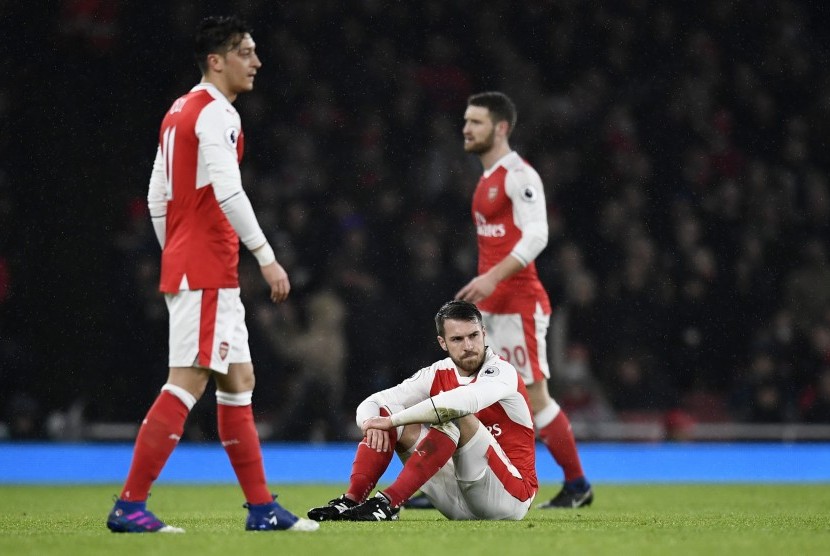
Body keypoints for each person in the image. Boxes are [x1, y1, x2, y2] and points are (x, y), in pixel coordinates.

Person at [105, 15, 318, 533]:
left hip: (198, 264)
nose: (257, 61)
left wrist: (174, 247)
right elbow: (229, 190)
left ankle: (263, 508)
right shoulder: (217, 113)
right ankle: (130, 505)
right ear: (216, 61)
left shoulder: (178, 111)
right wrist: (266, 256)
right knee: (187, 382)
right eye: (245, 51)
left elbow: (159, 194)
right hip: (206, 268)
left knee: (238, 379)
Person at [453, 91, 593, 508]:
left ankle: (577, 485)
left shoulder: (519, 176)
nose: (466, 128)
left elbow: (538, 234)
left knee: (535, 399)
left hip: (519, 306)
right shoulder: (486, 178)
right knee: (474, 396)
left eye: (475, 122)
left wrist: (491, 277)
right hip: (492, 308)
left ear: (501, 128)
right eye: (465, 120)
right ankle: (454, 483)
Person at [306, 300, 537, 521]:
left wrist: (392, 421)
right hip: (459, 501)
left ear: (484, 333)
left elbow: (461, 402)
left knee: (453, 416)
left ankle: (388, 503)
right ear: (442, 343)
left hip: (510, 497)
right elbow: (373, 402)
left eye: (473, 336)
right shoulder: (436, 372)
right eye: (457, 339)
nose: (468, 346)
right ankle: (351, 500)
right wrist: (371, 423)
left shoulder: (501, 372)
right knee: (387, 412)